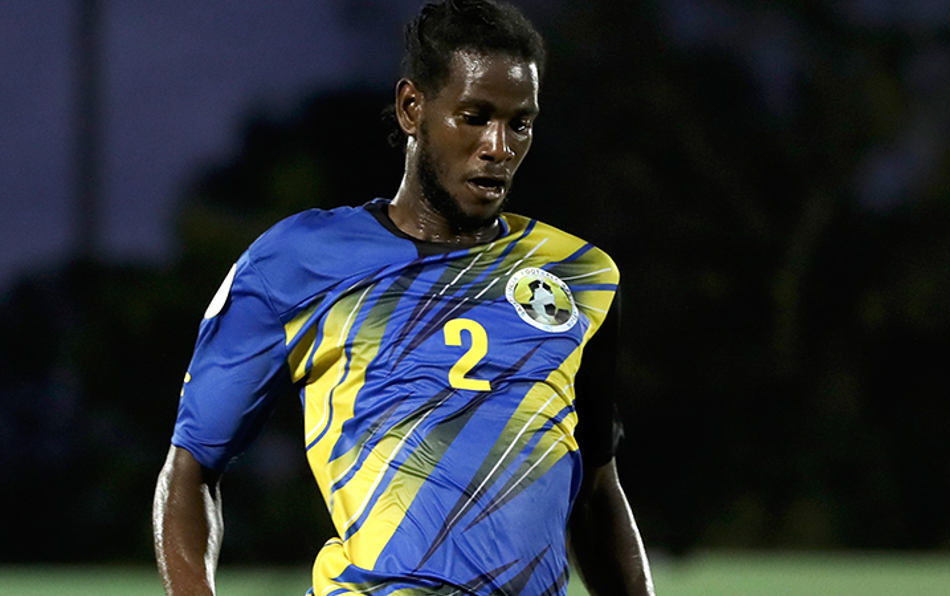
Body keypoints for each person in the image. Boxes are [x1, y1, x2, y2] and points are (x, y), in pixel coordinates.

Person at [153, 1, 656, 595]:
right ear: (412, 108)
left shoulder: (580, 275)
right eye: (475, 117)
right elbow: (192, 467)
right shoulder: (296, 263)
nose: (498, 146)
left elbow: (595, 493)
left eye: (520, 123)